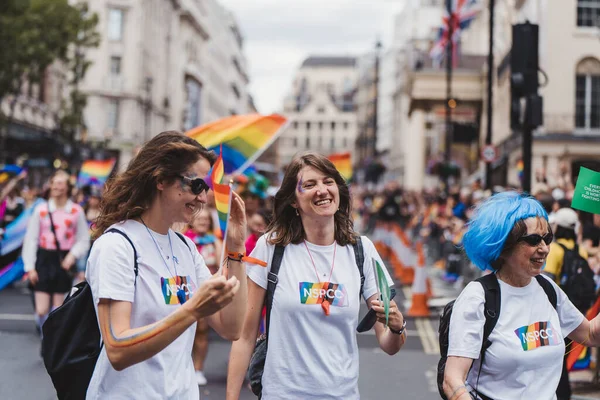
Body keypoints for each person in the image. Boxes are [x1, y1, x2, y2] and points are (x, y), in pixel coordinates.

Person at [226, 152, 405, 400]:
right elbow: (244, 337)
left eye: (328, 181)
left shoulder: (361, 250)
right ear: (293, 201)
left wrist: (397, 328)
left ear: (339, 190)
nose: (322, 190)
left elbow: (388, 344)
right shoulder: (272, 247)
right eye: (309, 185)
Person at [85, 131, 248, 399]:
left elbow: (231, 327)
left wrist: (236, 248)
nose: (203, 198)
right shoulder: (117, 245)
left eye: (205, 188)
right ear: (161, 180)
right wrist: (192, 310)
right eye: (196, 185)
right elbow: (117, 348)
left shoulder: (185, 247)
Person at [443, 191, 600, 400]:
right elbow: (452, 380)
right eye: (534, 240)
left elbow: (589, 334)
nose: (544, 249)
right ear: (504, 246)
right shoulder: (478, 297)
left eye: (547, 238)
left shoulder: (548, 289)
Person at [22, 170, 90, 337]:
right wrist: (30, 267)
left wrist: (72, 256)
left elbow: (83, 239)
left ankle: (51, 341)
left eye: (61, 183)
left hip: (63, 259)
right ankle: (46, 334)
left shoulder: (76, 211)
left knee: (58, 310)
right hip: (44, 259)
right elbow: (31, 239)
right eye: (54, 182)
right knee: (41, 309)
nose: (57, 186)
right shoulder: (41, 210)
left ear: (67, 187)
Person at [184, 208, 223, 386]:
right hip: (186, 290)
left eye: (206, 220)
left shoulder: (213, 240)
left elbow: (222, 261)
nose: (203, 222)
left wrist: (216, 241)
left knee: (201, 330)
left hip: (207, 289)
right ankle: (185, 366)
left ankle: (198, 369)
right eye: (200, 219)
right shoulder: (184, 240)